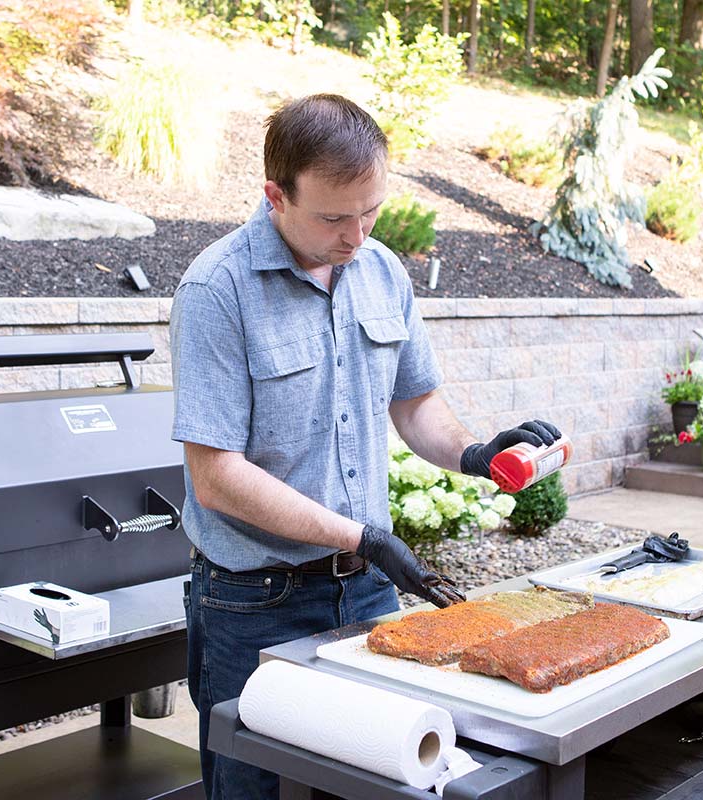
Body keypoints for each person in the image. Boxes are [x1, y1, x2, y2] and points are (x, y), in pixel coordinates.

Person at [169, 93, 564, 800]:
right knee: (253, 790)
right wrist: (363, 535)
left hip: (371, 591)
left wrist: (476, 453)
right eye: (333, 218)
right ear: (274, 196)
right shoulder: (216, 289)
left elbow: (414, 404)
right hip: (256, 601)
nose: (357, 235)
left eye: (370, 210)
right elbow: (217, 477)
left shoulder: (382, 271)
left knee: (375, 785)